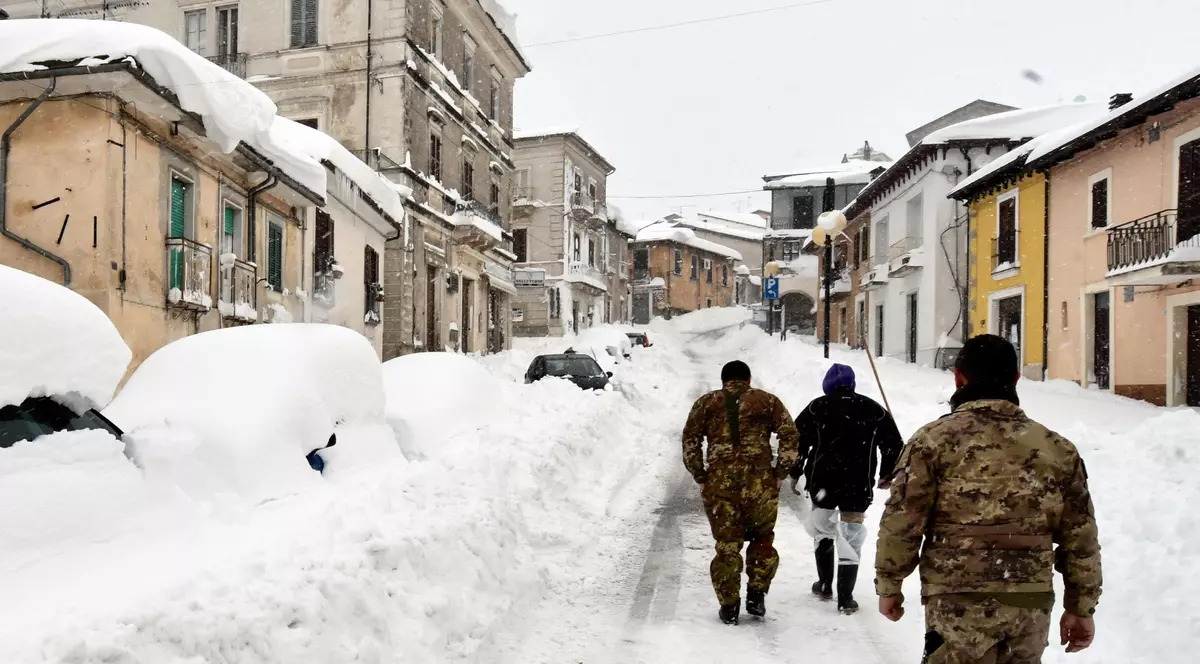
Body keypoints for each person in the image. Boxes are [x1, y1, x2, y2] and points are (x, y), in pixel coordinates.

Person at [875, 334, 1102, 663]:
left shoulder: (933, 441)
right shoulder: (1057, 449)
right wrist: (1081, 606)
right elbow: (1080, 537)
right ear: (1015, 380)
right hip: (1029, 603)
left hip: (956, 601)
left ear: (958, 378)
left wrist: (889, 583)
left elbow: (903, 520)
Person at [682, 360, 800, 625]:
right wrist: (780, 472)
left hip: (720, 484)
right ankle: (756, 593)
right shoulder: (768, 402)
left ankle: (729, 605)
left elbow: (690, 439)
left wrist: (700, 475)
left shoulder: (706, 403)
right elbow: (789, 435)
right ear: (748, 378)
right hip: (760, 483)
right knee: (762, 539)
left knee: (727, 545)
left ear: (724, 380)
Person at [790, 363, 903, 614]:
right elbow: (894, 444)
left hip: (823, 482)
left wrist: (795, 471)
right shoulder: (873, 409)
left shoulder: (817, 407)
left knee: (823, 530)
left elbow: (798, 441)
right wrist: (887, 473)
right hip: (857, 482)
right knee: (851, 534)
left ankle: (824, 584)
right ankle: (845, 598)